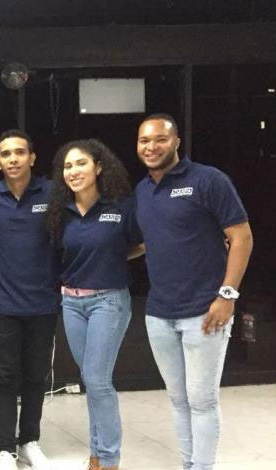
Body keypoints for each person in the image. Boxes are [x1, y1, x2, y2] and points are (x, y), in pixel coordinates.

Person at [134, 114, 253, 470]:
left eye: (160, 139)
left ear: (176, 142)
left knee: (202, 401)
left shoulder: (208, 180)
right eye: (144, 141)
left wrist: (227, 296)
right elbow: (151, 242)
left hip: (205, 311)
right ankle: (188, 464)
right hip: (159, 314)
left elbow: (241, 237)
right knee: (178, 399)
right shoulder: (142, 190)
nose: (151, 147)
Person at [45, 140, 144, 470]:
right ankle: (97, 453)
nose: (73, 171)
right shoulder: (62, 212)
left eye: (80, 163)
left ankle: (109, 458)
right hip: (72, 303)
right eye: (67, 166)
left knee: (98, 380)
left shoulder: (120, 207)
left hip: (108, 301)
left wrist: (113, 258)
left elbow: (141, 243)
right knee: (91, 379)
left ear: (99, 167)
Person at [0, 130, 59, 470]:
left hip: (43, 303)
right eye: (6, 154)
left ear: (32, 158)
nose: (13, 159)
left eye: (19, 152)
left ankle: (29, 442)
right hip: (2, 304)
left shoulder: (52, 193)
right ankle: (6, 449)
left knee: (36, 376)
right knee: (5, 377)